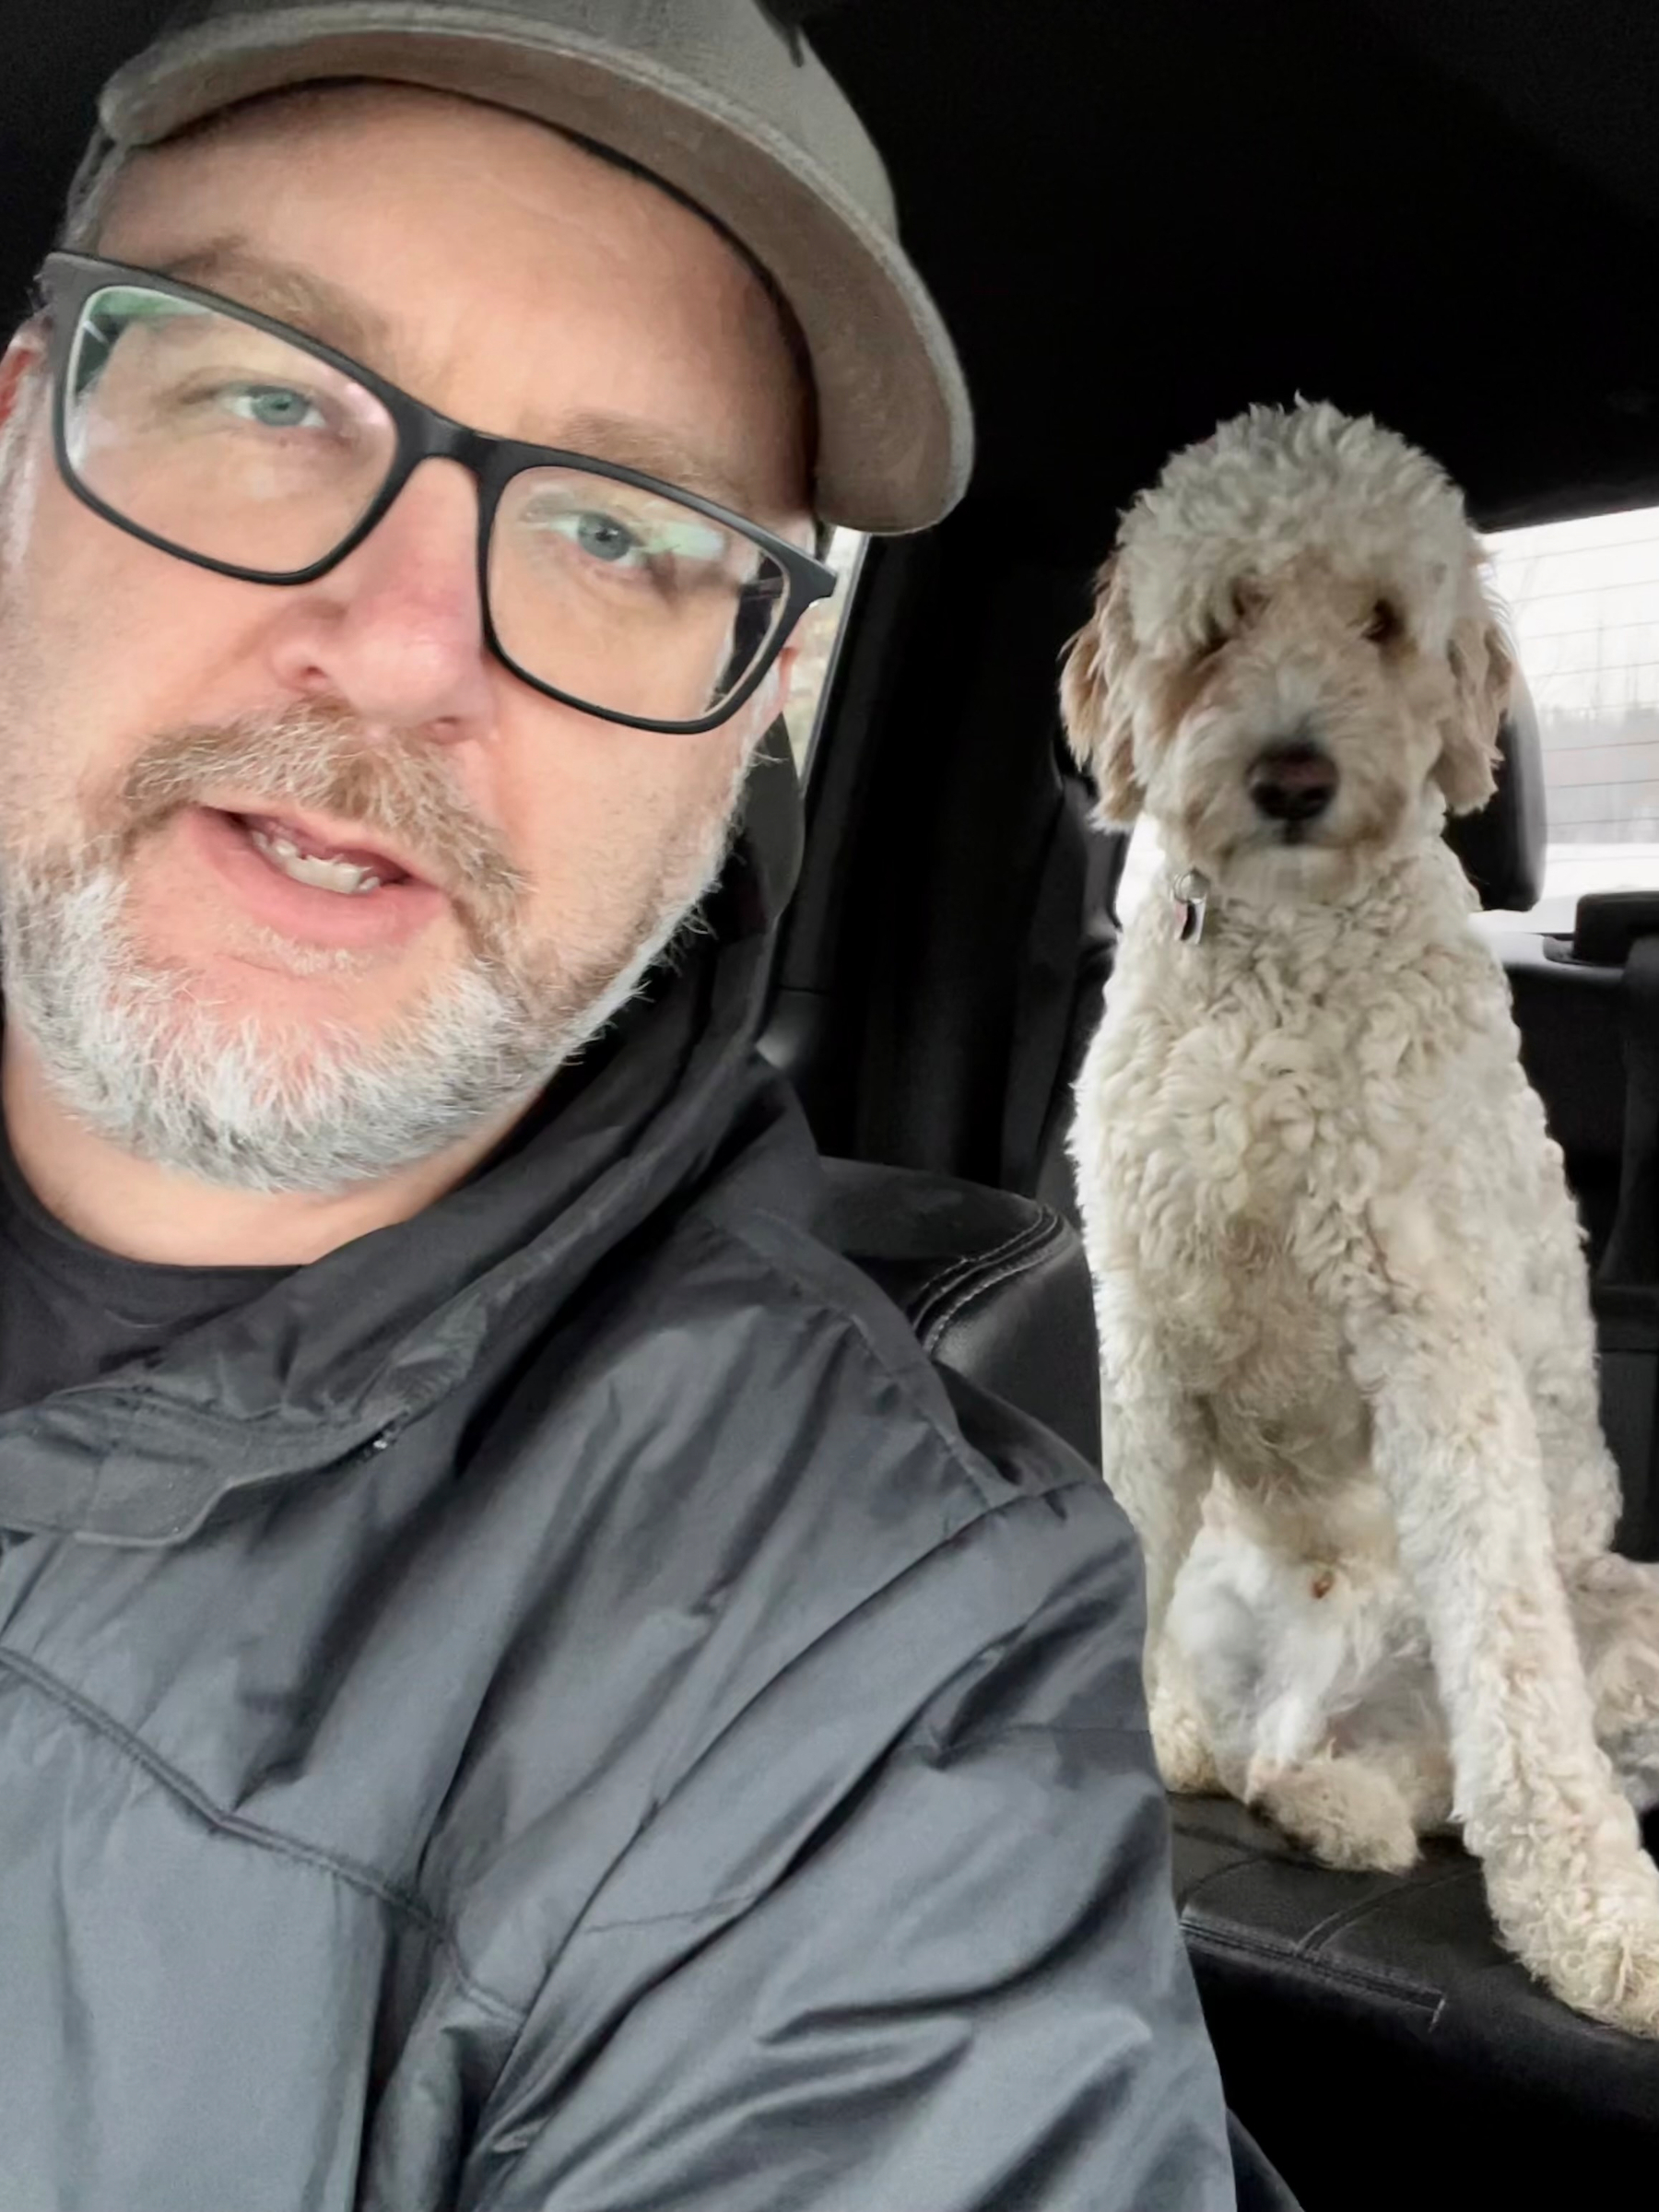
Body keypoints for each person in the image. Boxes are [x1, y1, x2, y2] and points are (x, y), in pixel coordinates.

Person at [0, 2, 1273, 2205]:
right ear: (23, 441)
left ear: (756, 705)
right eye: (276, 402)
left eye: (616, 533)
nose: (406, 648)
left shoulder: (860, 1681)